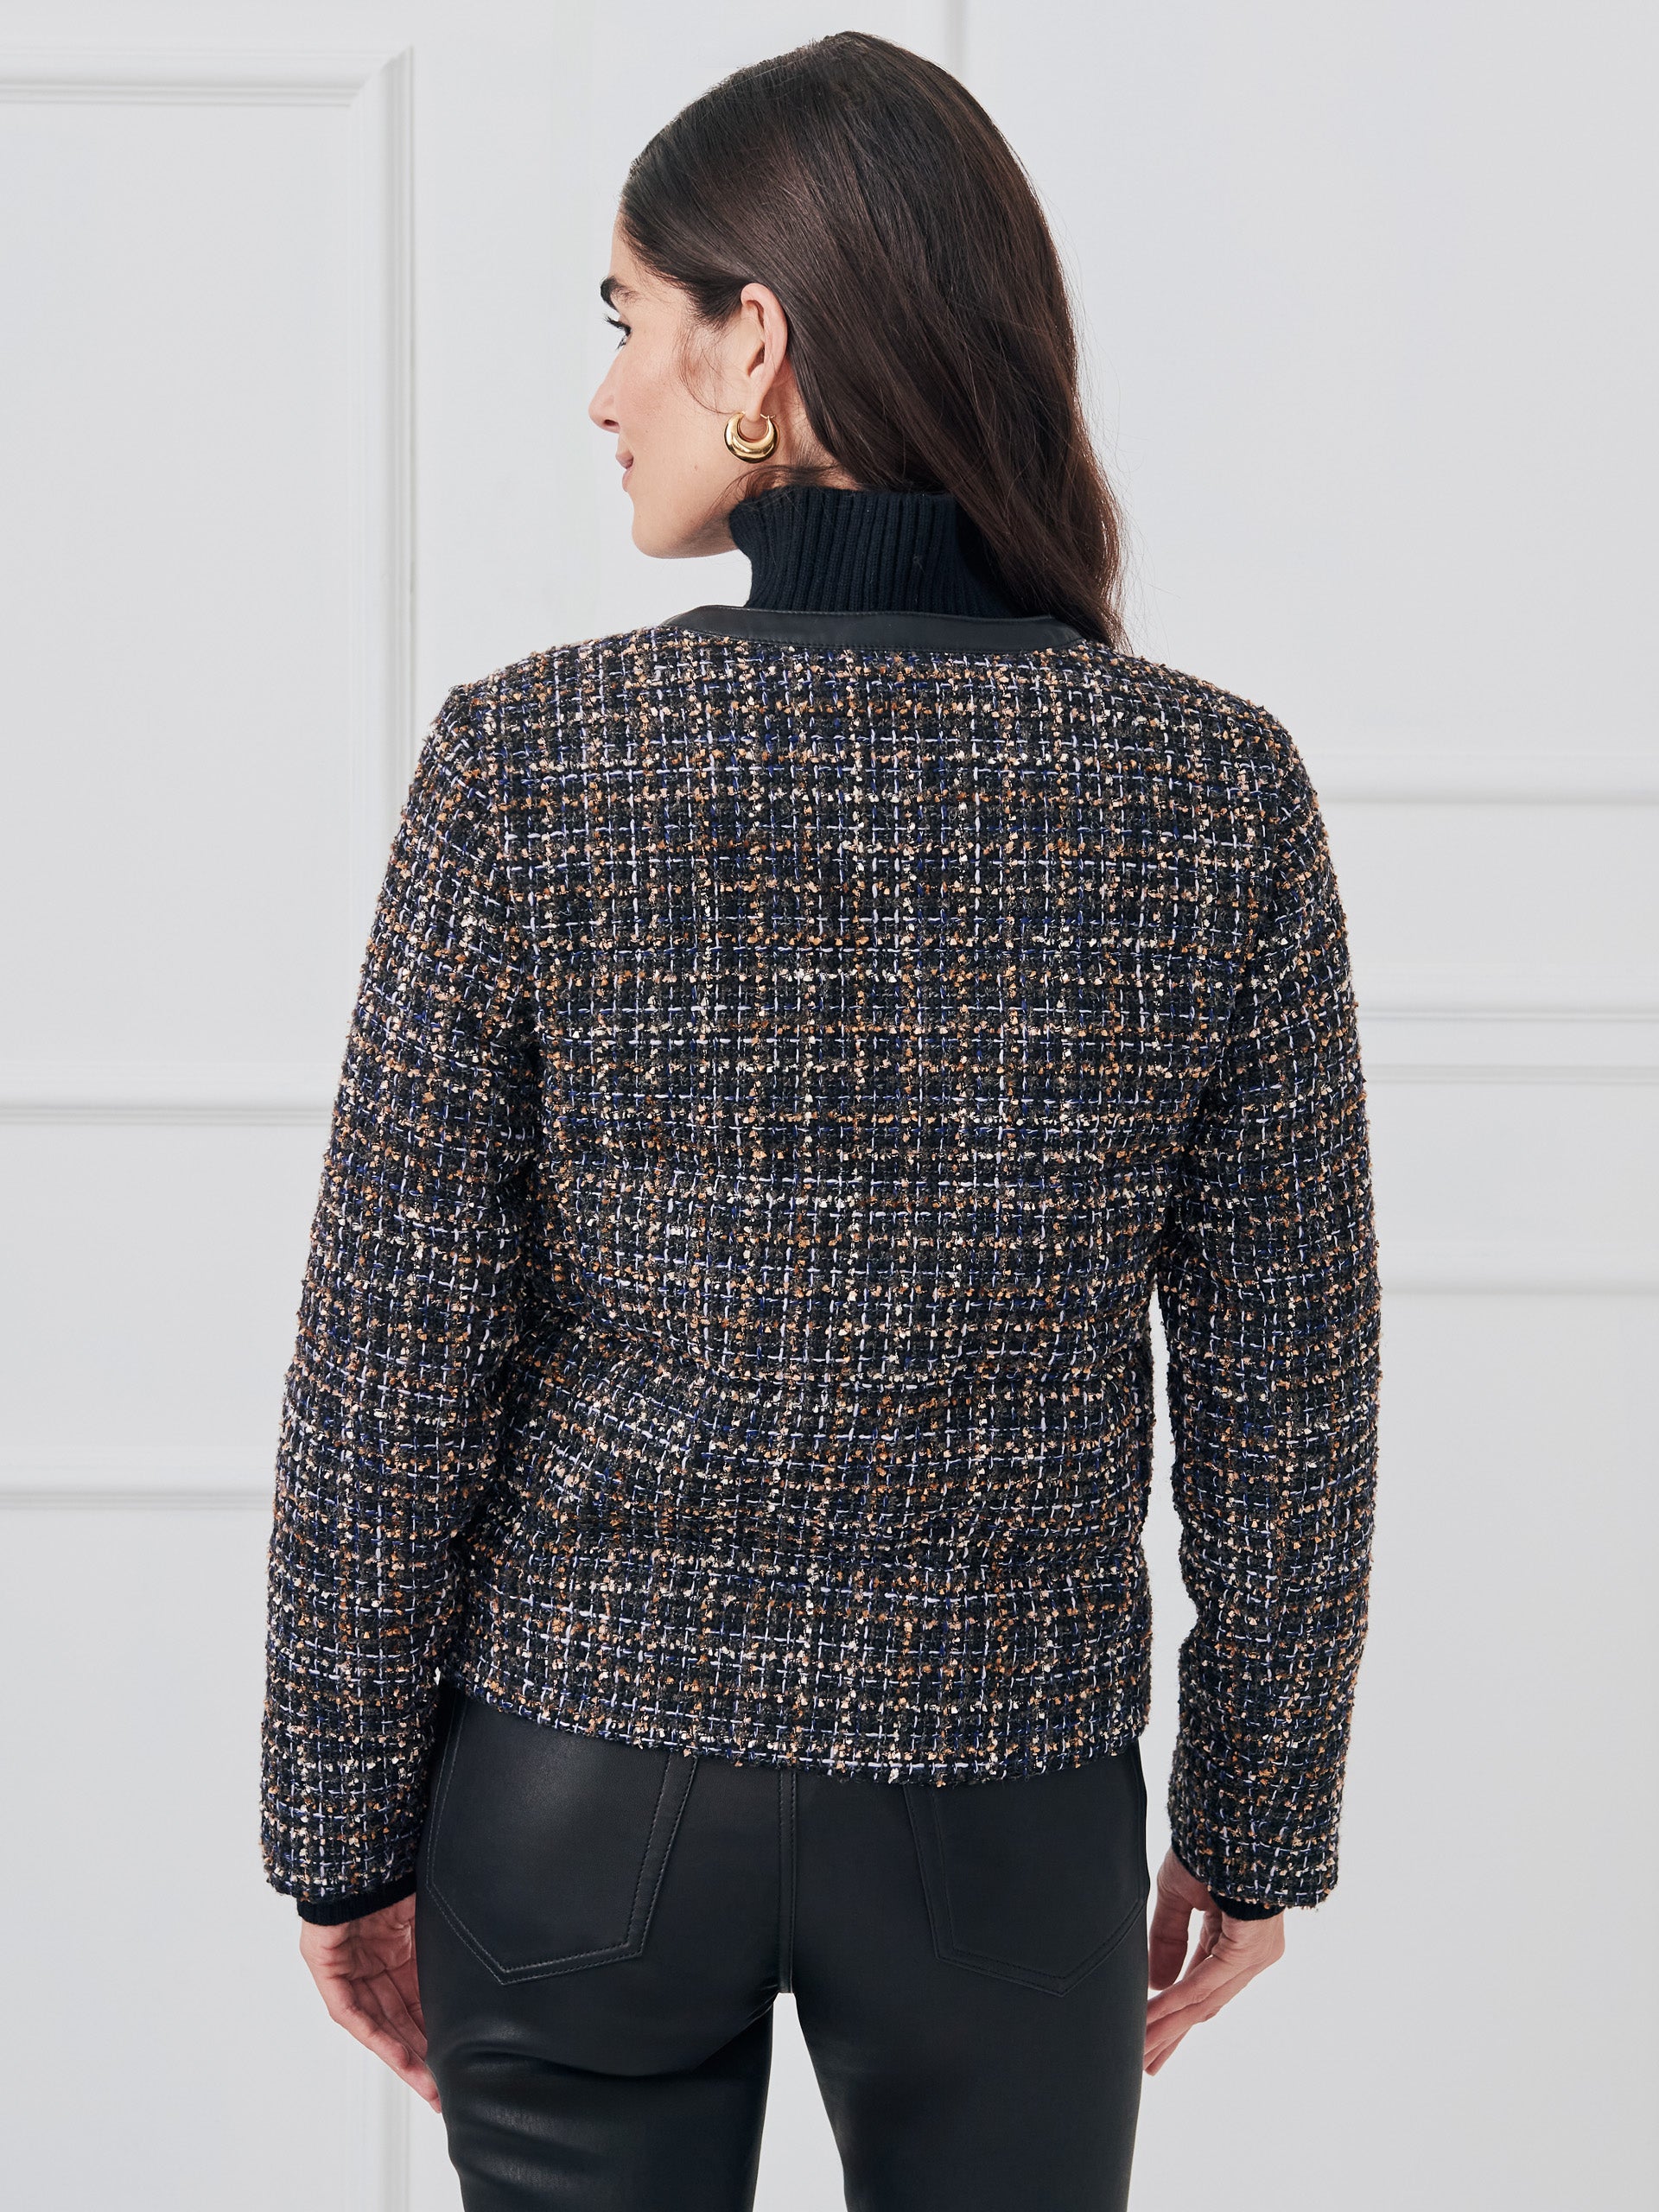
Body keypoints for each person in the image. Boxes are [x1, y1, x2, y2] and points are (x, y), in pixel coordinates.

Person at [261, 30, 1381, 2212]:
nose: (603, 391)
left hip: (578, 1788)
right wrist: (1257, 1821)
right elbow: (1291, 1389)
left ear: (754, 343)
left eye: (626, 318)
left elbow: (386, 1367)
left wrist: (337, 1828)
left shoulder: (531, 762)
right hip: (1004, 1799)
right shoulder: (1215, 791)